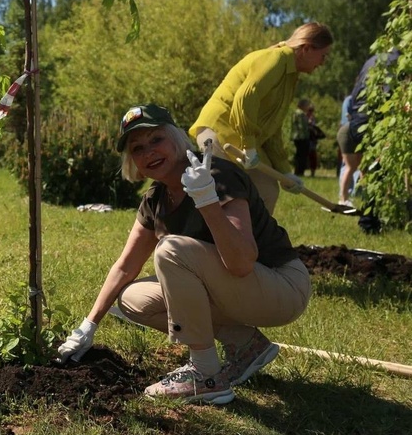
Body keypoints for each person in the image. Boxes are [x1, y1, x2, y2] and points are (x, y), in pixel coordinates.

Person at [58, 104, 310, 405]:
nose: (148, 152)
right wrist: (89, 325)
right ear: (132, 161)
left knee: (171, 250)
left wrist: (207, 199)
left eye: (156, 140)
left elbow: (242, 263)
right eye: (138, 148)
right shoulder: (155, 199)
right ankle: (245, 344)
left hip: (280, 287)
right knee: (131, 299)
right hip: (239, 290)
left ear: (176, 138)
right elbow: (125, 266)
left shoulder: (217, 174)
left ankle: (205, 375)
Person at [189, 22, 334, 213]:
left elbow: (272, 130)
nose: (323, 62)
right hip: (219, 131)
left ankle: (250, 241)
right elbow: (245, 99)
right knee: (231, 196)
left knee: (266, 189)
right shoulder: (274, 59)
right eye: (323, 55)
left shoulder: (289, 76)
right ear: (306, 48)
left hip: (239, 137)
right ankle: (222, 241)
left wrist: (285, 171)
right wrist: (248, 146)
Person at [337, 49, 400, 206]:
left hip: (354, 126)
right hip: (351, 130)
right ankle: (345, 199)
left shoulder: (356, 94)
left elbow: (351, 110)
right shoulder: (393, 63)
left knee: (361, 166)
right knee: (352, 167)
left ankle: (360, 196)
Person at [290, 99, 311, 177]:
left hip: (296, 137)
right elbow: (303, 126)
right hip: (302, 137)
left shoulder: (295, 112)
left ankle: (297, 171)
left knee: (298, 155)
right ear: (303, 105)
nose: (308, 107)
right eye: (307, 105)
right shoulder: (301, 114)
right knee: (302, 155)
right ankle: (300, 172)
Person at [306, 103, 324, 177]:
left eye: (311, 111)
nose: (310, 112)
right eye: (309, 111)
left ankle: (312, 172)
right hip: (306, 139)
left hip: (312, 139)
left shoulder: (312, 118)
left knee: (312, 155)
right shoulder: (304, 117)